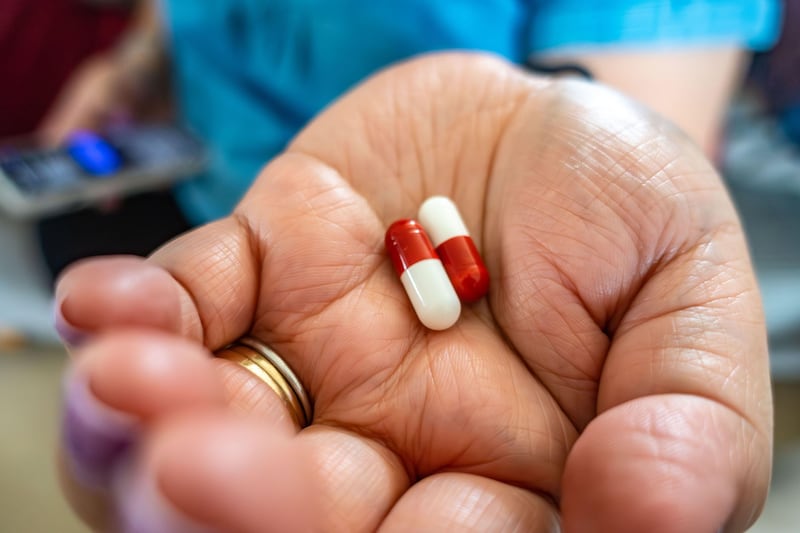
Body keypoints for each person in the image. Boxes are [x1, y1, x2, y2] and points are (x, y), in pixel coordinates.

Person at [49, 2, 779, 532]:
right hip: (228, 222)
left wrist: (576, 131)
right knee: (118, 347)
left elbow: (640, 96)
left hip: (377, 256)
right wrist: (138, 66)